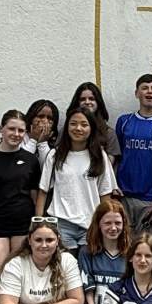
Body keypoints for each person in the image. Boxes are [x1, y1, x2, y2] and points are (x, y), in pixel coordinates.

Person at [41, 107, 119, 254]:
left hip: (90, 224)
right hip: (61, 224)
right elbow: (43, 190)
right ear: (67, 127)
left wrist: (105, 223)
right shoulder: (55, 155)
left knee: (87, 267)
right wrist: (39, 223)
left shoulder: (100, 156)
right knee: (64, 266)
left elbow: (105, 195)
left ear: (91, 128)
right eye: (73, 123)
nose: (78, 128)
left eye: (84, 124)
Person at [0, 109, 44, 270]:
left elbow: (35, 196)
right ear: (1, 129)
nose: (16, 134)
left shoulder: (30, 160)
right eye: (12, 129)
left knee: (21, 272)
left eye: (21, 130)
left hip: (23, 225)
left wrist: (37, 225)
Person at [114, 74, 152, 235]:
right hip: (123, 196)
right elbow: (117, 157)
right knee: (123, 243)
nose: (149, 91)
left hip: (150, 198)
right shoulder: (124, 121)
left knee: (145, 245)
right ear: (137, 93)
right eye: (144, 88)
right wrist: (113, 188)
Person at [69, 81, 119, 157]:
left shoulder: (108, 133)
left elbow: (109, 162)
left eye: (91, 99)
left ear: (98, 102)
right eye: (82, 99)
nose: (87, 102)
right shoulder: (68, 130)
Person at [22, 99, 59, 166]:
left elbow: (46, 167)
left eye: (49, 118)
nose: (45, 121)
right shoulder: (20, 137)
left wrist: (43, 142)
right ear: (31, 118)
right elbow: (22, 164)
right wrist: (33, 140)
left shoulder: (55, 143)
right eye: (41, 116)